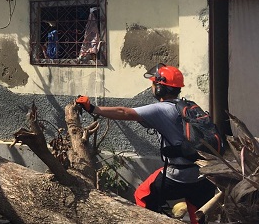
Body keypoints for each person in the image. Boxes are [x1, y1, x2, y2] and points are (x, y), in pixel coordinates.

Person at [75, 64, 216, 224]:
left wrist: (93, 108)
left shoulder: (161, 109)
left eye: (153, 84)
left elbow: (124, 112)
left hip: (179, 176)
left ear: (159, 88)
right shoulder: (189, 106)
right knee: (197, 213)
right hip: (203, 175)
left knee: (142, 195)